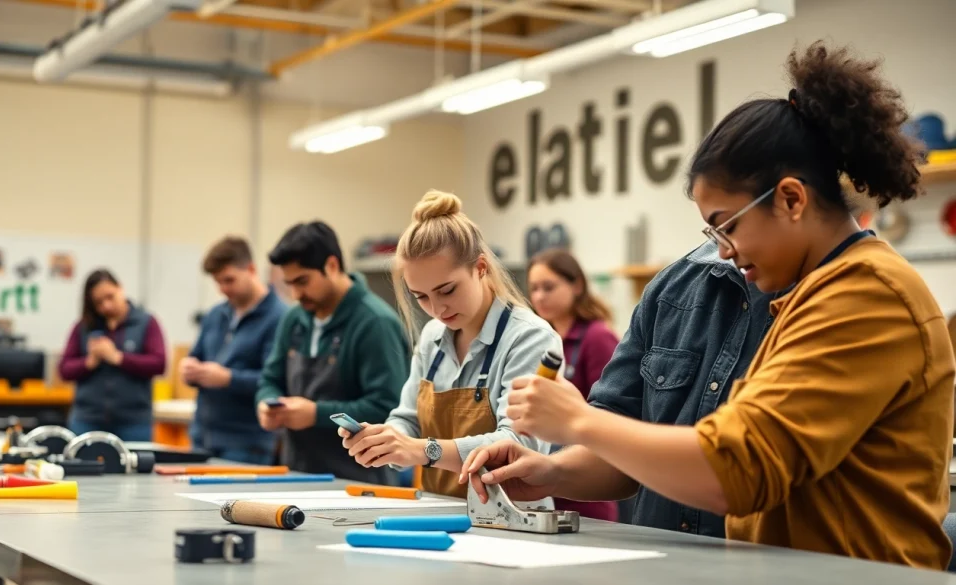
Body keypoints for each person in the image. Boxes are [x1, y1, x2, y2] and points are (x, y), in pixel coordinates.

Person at [461, 41, 956, 569]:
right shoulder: (808, 292)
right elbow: (651, 448)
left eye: (728, 225)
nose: (721, 249)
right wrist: (549, 468)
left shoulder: (868, 295)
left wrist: (579, 422)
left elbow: (736, 469)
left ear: (791, 199)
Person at [339, 191, 563, 499]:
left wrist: (423, 450)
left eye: (447, 290)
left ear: (481, 268)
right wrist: (385, 441)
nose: (437, 309)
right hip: (437, 514)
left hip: (512, 524)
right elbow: (407, 420)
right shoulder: (432, 337)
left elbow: (519, 445)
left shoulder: (530, 338)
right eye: (421, 297)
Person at [255, 221, 410, 484]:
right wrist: (266, 403)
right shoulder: (294, 319)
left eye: (302, 281)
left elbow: (388, 407)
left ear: (332, 266)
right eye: (289, 283)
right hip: (297, 475)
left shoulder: (375, 323)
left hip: (359, 483)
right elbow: (270, 378)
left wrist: (315, 414)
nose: (295, 294)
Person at [527, 248, 619, 522]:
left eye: (548, 287)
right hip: (544, 482)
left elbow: (609, 414)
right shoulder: (538, 339)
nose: (540, 296)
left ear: (576, 285)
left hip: (585, 488)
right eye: (533, 288)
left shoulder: (597, 337)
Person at [182, 236, 287, 464]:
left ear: (251, 269)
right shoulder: (216, 314)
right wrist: (190, 370)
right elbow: (197, 356)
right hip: (202, 438)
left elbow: (275, 382)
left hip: (247, 444)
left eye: (229, 280)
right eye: (218, 282)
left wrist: (227, 379)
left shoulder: (279, 318)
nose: (223, 289)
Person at [59, 269, 167, 441]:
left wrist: (118, 358)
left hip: (134, 423)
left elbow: (159, 364)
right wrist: (89, 362)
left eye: (110, 297)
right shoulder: (84, 327)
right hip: (87, 421)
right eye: (99, 302)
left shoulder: (146, 323)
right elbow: (64, 369)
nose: (106, 306)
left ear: (120, 288)